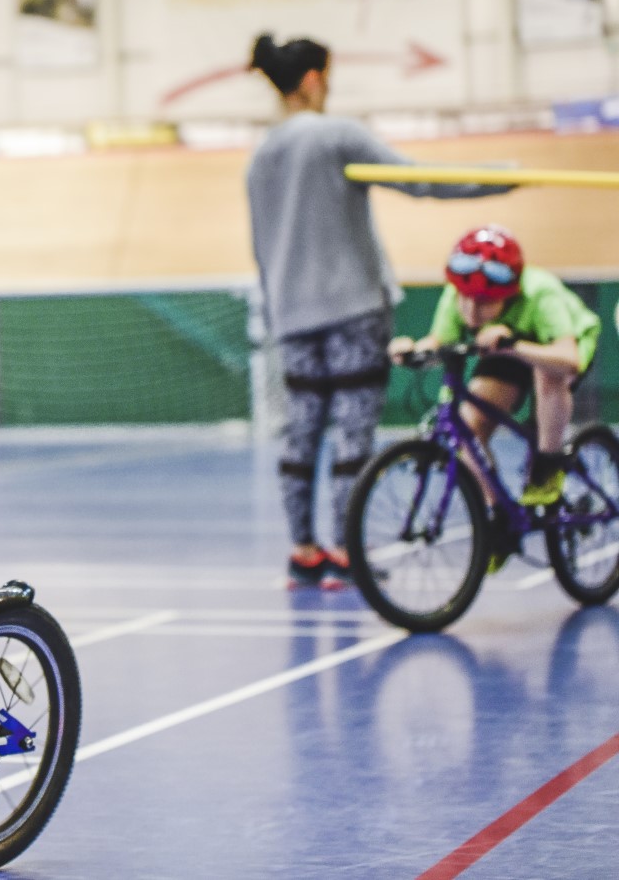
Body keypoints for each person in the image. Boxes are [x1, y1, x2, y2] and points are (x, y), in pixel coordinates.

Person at [247, 34, 512, 590]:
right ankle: (347, 551)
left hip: (292, 316)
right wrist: (499, 176)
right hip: (354, 311)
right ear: (315, 79)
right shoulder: (337, 135)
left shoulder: (261, 157)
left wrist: (279, 312)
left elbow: (261, 247)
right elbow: (417, 179)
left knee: (302, 438)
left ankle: (303, 552)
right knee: (352, 436)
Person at [389, 227, 600, 561]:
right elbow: (438, 342)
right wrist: (412, 350)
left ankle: (548, 466)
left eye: (485, 303)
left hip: (557, 350)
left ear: (509, 293)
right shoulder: (459, 294)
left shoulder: (540, 294)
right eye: (465, 300)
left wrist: (514, 344)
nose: (471, 312)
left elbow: (568, 359)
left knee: (548, 377)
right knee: (468, 427)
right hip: (504, 352)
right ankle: (496, 512)